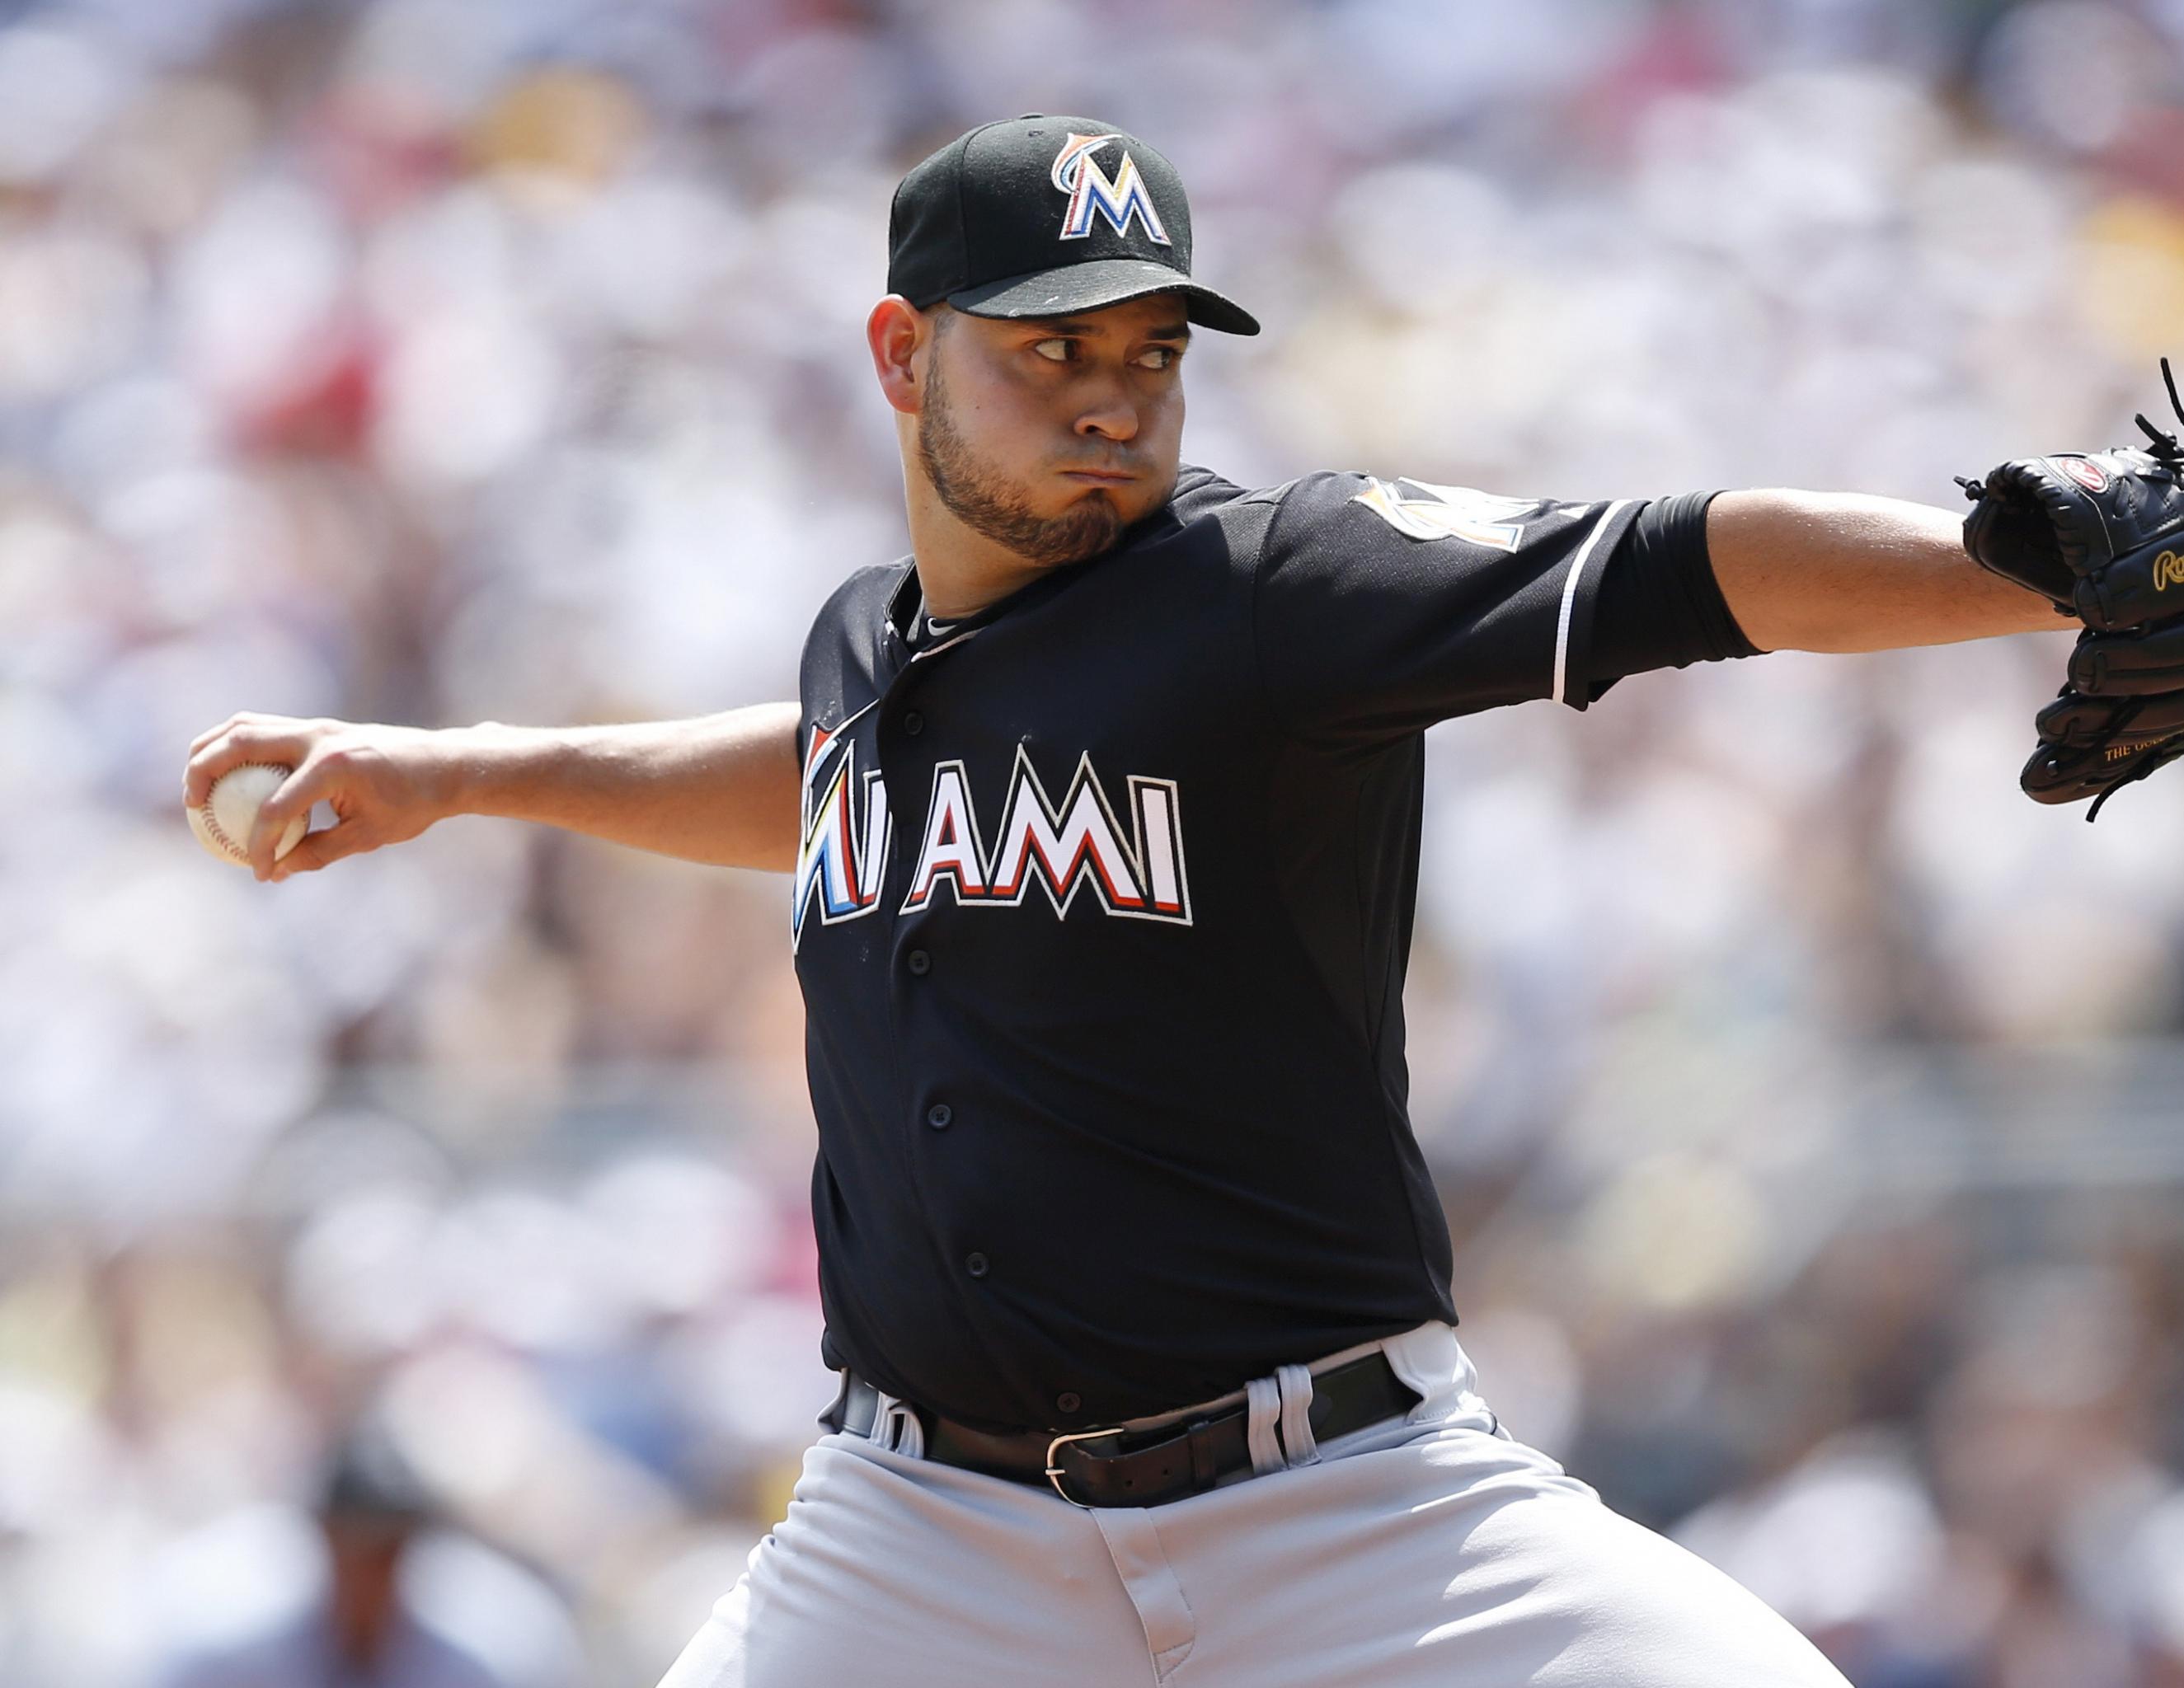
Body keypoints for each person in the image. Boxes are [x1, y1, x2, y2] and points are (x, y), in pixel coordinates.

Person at [187, 115, 2075, 1686]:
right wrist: (460, 770)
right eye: (1050, 349)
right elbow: (834, 778)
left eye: (1148, 350)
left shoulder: (1270, 591)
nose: (1111, 400)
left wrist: (2036, 557)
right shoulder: (866, 650)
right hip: (919, 1538)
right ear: (899, 354)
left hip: (1337, 1504)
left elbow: (1675, 563)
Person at [155, 1428, 510, 1688]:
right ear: (325, 1540)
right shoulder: (234, 1650)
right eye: (358, 1549)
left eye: (387, 1551)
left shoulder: (482, 1657)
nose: (371, 1572)